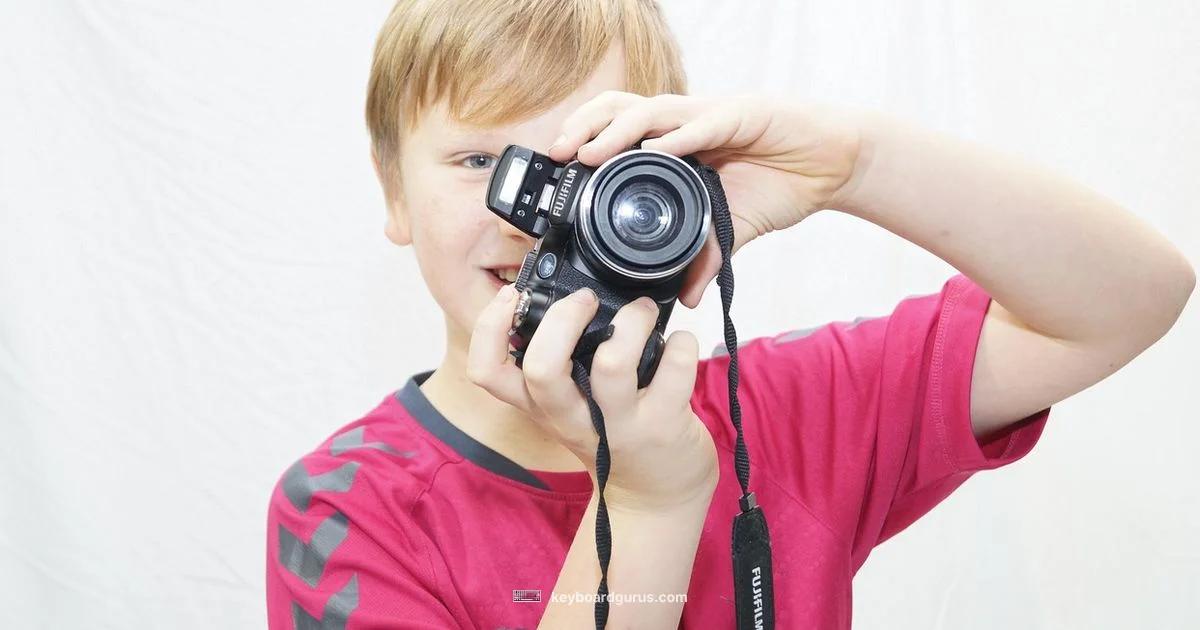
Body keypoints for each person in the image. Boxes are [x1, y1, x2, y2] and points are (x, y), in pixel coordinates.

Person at [265, 1, 1195, 628]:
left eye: (591, 158)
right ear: (392, 192)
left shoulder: (784, 415)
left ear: (667, 180)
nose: (534, 210)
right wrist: (648, 502)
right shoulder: (348, 513)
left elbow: (1128, 301)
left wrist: (853, 163)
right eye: (480, 164)